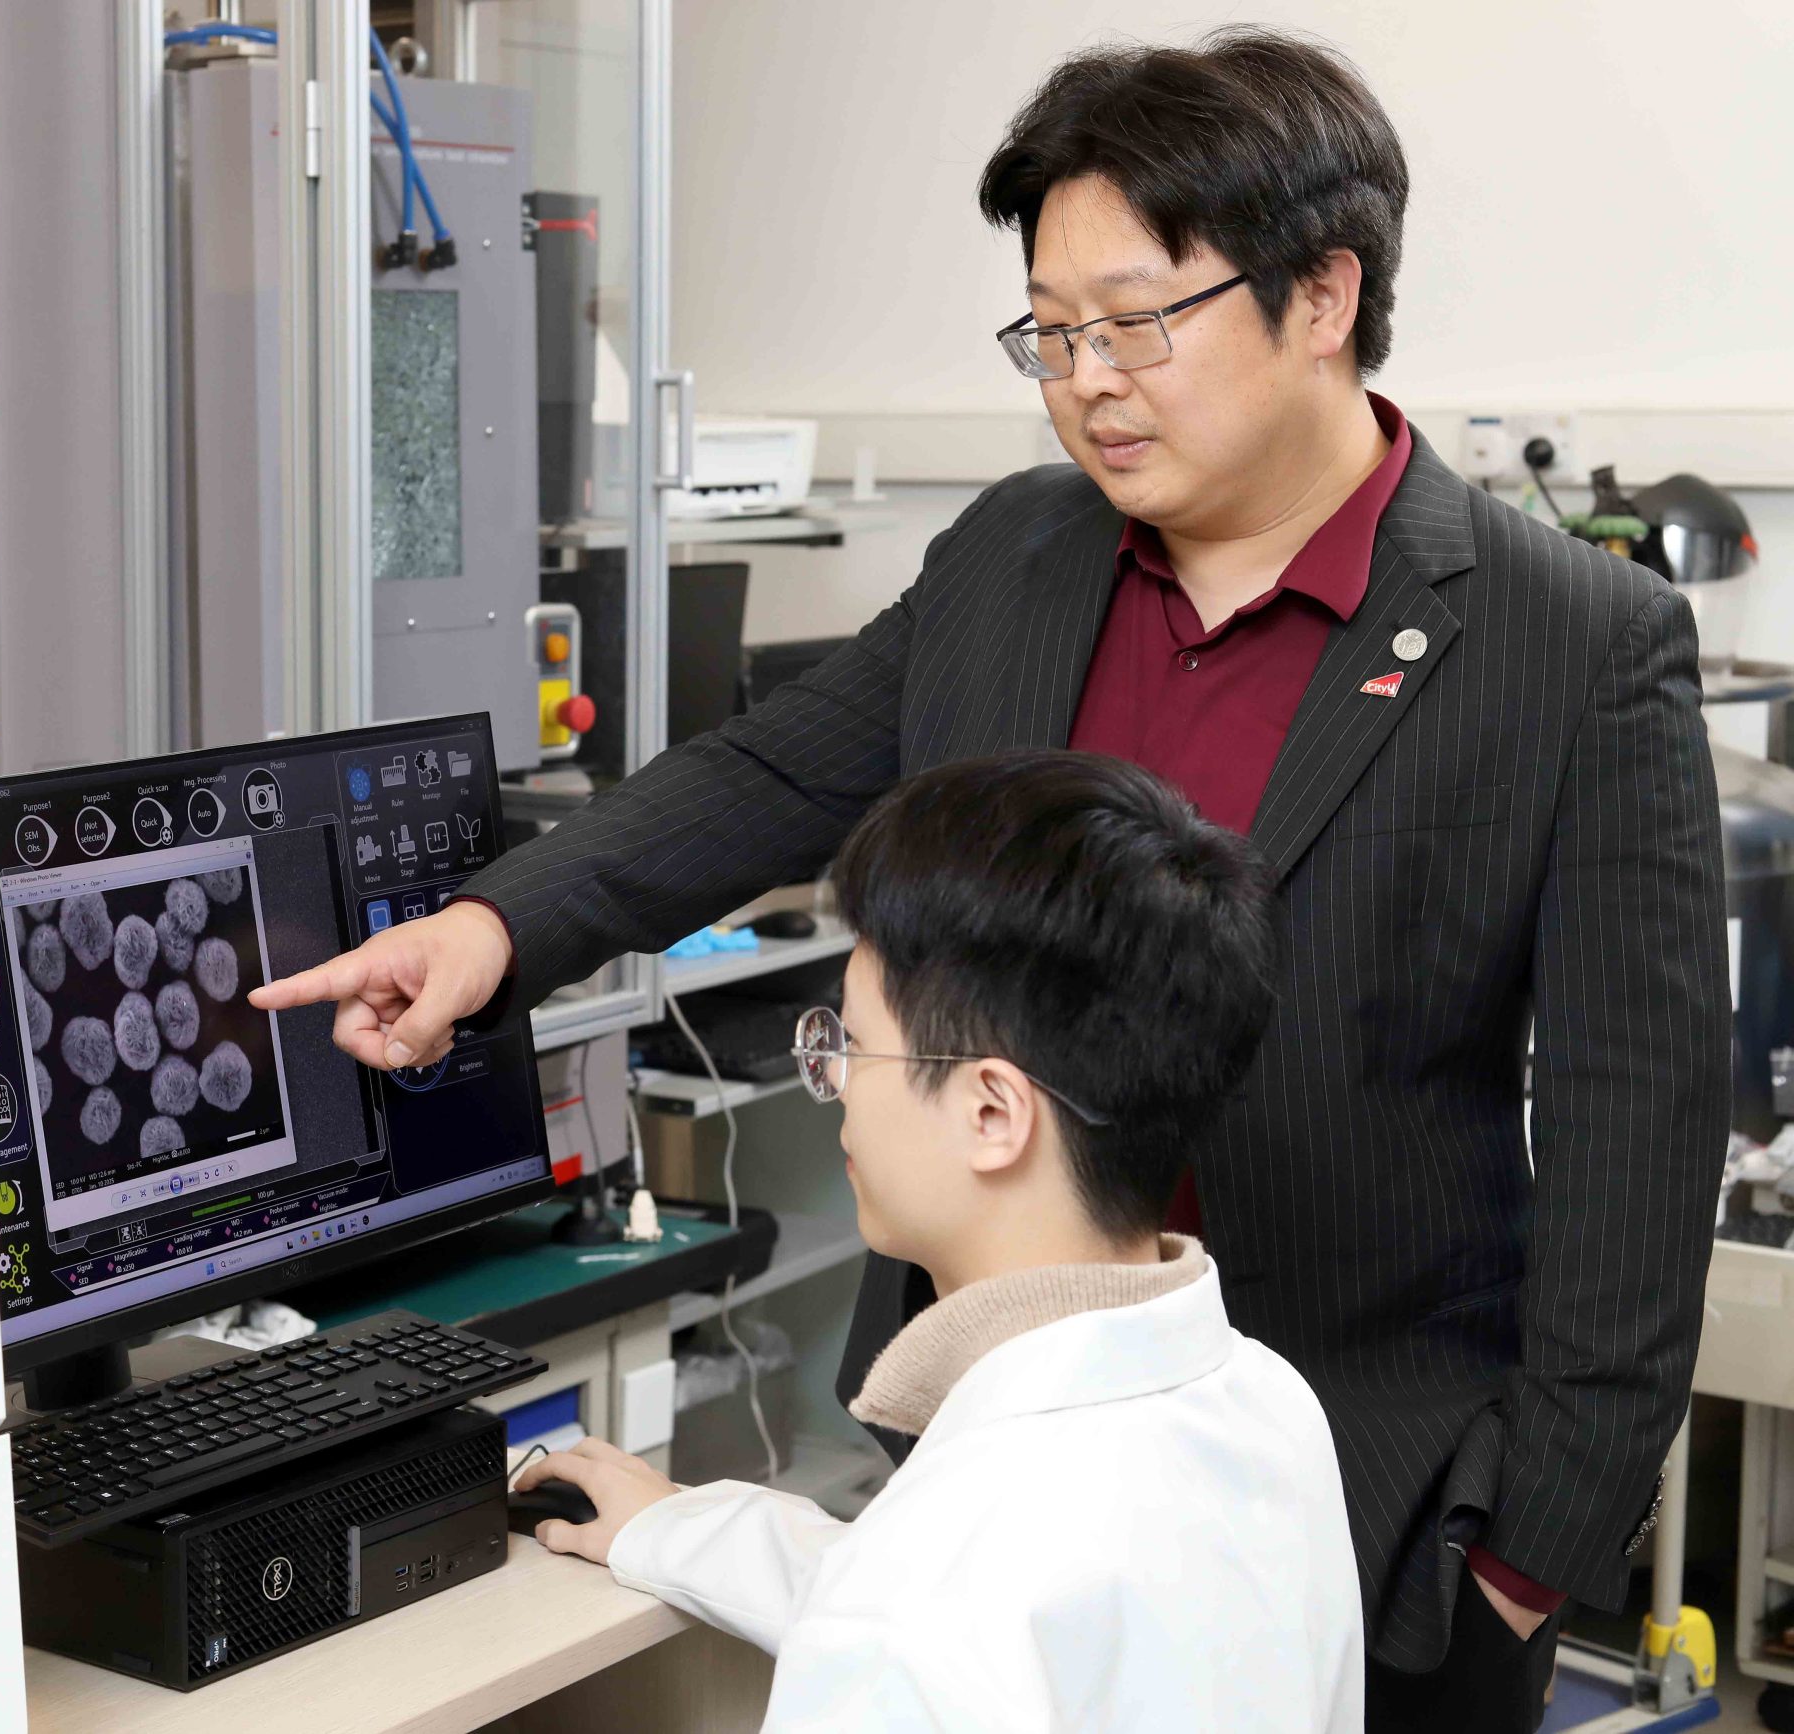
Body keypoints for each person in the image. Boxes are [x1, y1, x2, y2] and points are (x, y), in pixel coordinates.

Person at [254, 27, 1728, 1731]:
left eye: (1137, 322)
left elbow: (1639, 1126)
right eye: (1051, 330)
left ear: (1323, 295)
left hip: (1374, 1503)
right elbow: (771, 774)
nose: (1088, 380)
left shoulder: (1572, 644)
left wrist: (1531, 1551)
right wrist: (493, 923)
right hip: (1001, 1461)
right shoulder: (1015, 559)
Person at [509, 753, 1364, 1730]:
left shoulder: (926, 1589)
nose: (835, 1088)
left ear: (992, 1112)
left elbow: (922, 1617)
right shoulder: (1270, 1407)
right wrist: (682, 1529)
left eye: (850, 1046)